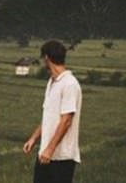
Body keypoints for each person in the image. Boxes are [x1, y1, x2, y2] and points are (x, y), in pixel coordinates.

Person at [23, 39, 82, 183]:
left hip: (62, 157)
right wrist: (33, 138)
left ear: (47, 58)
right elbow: (49, 117)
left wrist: (50, 149)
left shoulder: (69, 84)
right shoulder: (52, 82)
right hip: (45, 154)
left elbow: (66, 121)